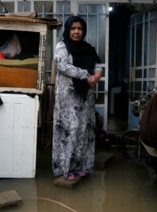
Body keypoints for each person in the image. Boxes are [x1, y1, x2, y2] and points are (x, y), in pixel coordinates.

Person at [52, 16, 102, 181]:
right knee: (70, 130)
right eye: (73, 28)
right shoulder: (62, 46)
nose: (76, 32)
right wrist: (85, 74)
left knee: (83, 130)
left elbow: (98, 65)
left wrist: (96, 77)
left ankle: (81, 165)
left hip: (85, 96)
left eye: (79, 29)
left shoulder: (88, 48)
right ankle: (66, 167)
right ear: (68, 30)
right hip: (68, 98)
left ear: (84, 31)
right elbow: (62, 66)